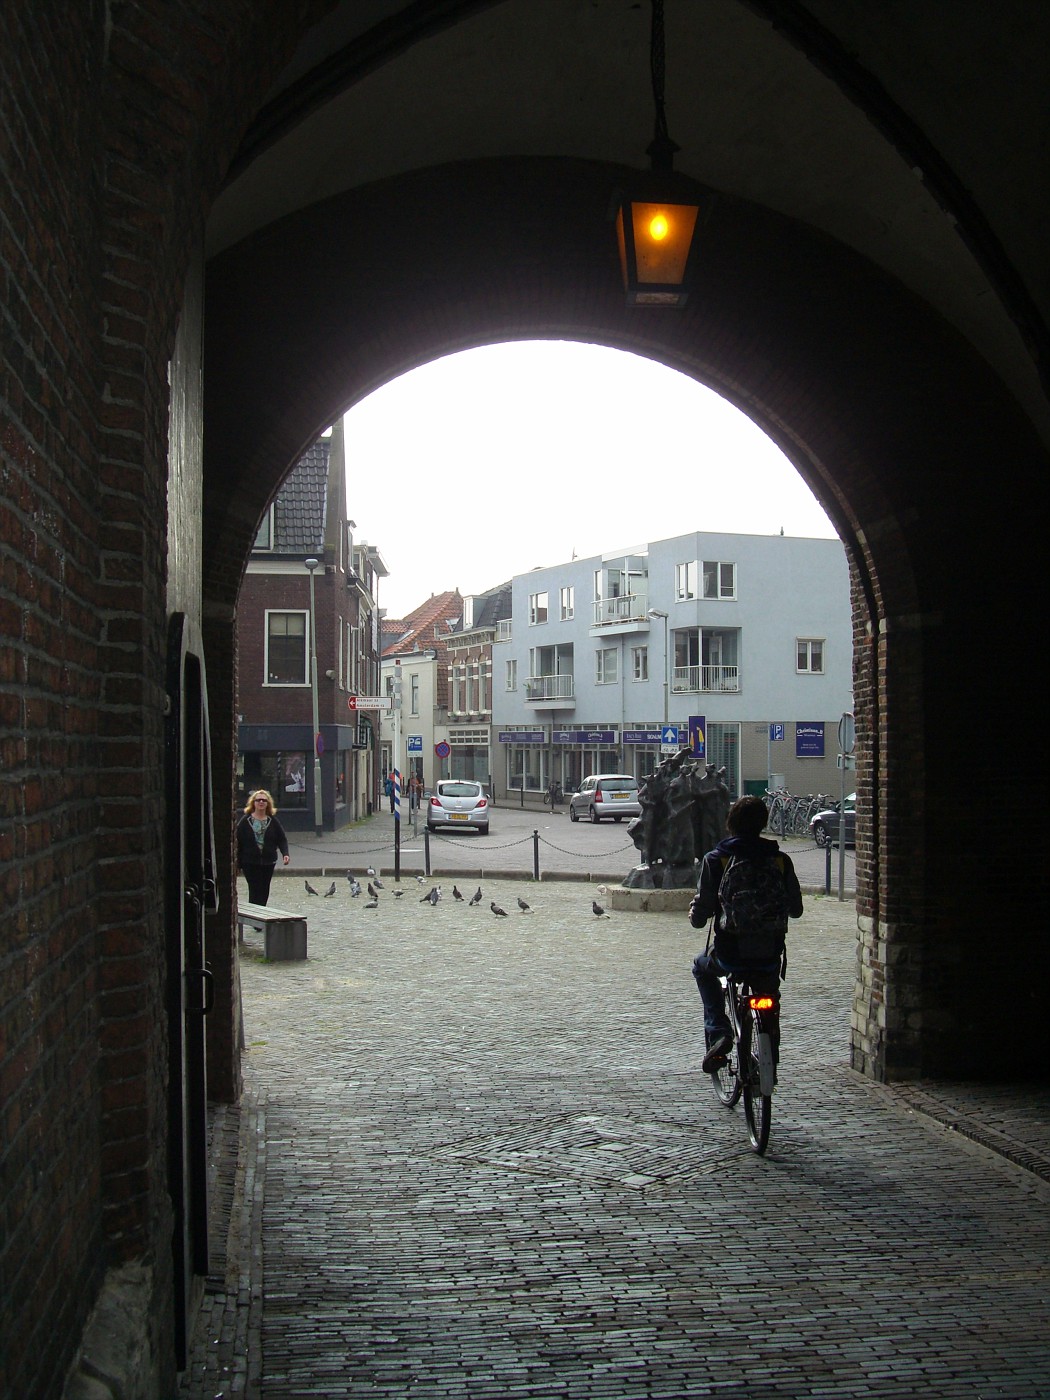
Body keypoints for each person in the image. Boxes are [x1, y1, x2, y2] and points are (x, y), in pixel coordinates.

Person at [689, 795, 803, 1073]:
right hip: (769, 952)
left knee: (701, 968)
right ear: (763, 824)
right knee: (769, 997)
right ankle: (770, 1062)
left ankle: (719, 1032)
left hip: (730, 953)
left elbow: (701, 916)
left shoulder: (717, 859)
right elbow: (796, 910)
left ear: (731, 824)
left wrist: (697, 914)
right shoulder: (780, 860)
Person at [236, 789, 290, 906]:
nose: (261, 802)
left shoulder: (273, 821)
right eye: (258, 800)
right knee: (254, 889)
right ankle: (255, 915)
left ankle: (262, 912)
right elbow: (238, 842)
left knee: (264, 889)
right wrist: (238, 864)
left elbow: (281, 839)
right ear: (253, 803)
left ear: (268, 803)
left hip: (268, 861)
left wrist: (285, 854)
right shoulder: (246, 821)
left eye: (264, 800)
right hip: (249, 862)